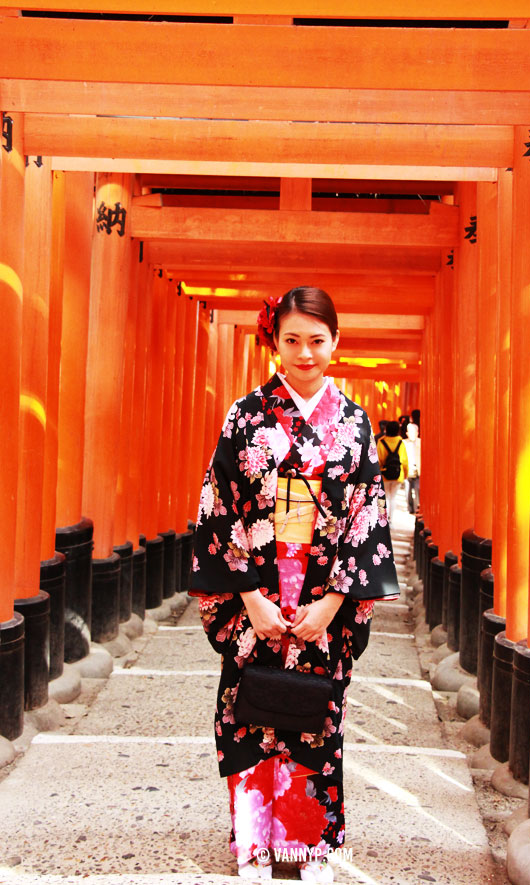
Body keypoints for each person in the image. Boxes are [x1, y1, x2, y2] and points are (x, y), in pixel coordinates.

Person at [189, 286, 400, 883]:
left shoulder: (355, 425)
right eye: (292, 341)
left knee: (316, 715)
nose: (305, 354)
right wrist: (250, 598)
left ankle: (310, 843)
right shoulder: (245, 415)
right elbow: (218, 508)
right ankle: (254, 841)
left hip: (323, 601)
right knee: (250, 710)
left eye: (317, 340)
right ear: (273, 343)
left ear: (336, 342)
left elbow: (367, 520)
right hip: (255, 593)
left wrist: (333, 605)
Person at [376, 420, 408, 523]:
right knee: (393, 497)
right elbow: (404, 460)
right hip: (398, 474)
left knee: (386, 497)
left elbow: (378, 459)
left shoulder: (381, 441)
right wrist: (406, 473)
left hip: (384, 473)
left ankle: (385, 518)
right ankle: (391, 518)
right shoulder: (401, 442)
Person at [404, 422, 421, 514]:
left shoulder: (421, 442)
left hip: (418, 468)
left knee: (418, 489)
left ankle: (417, 507)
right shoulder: (404, 443)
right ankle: (410, 507)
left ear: (417, 432)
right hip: (408, 469)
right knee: (408, 490)